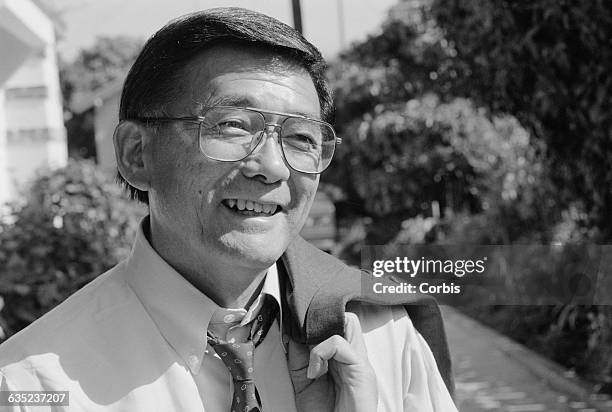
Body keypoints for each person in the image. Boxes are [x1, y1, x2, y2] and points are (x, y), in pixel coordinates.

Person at [0, 7, 457, 412]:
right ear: (137, 154)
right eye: (233, 126)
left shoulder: (382, 339)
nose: (273, 167)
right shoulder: (34, 384)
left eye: (302, 138)